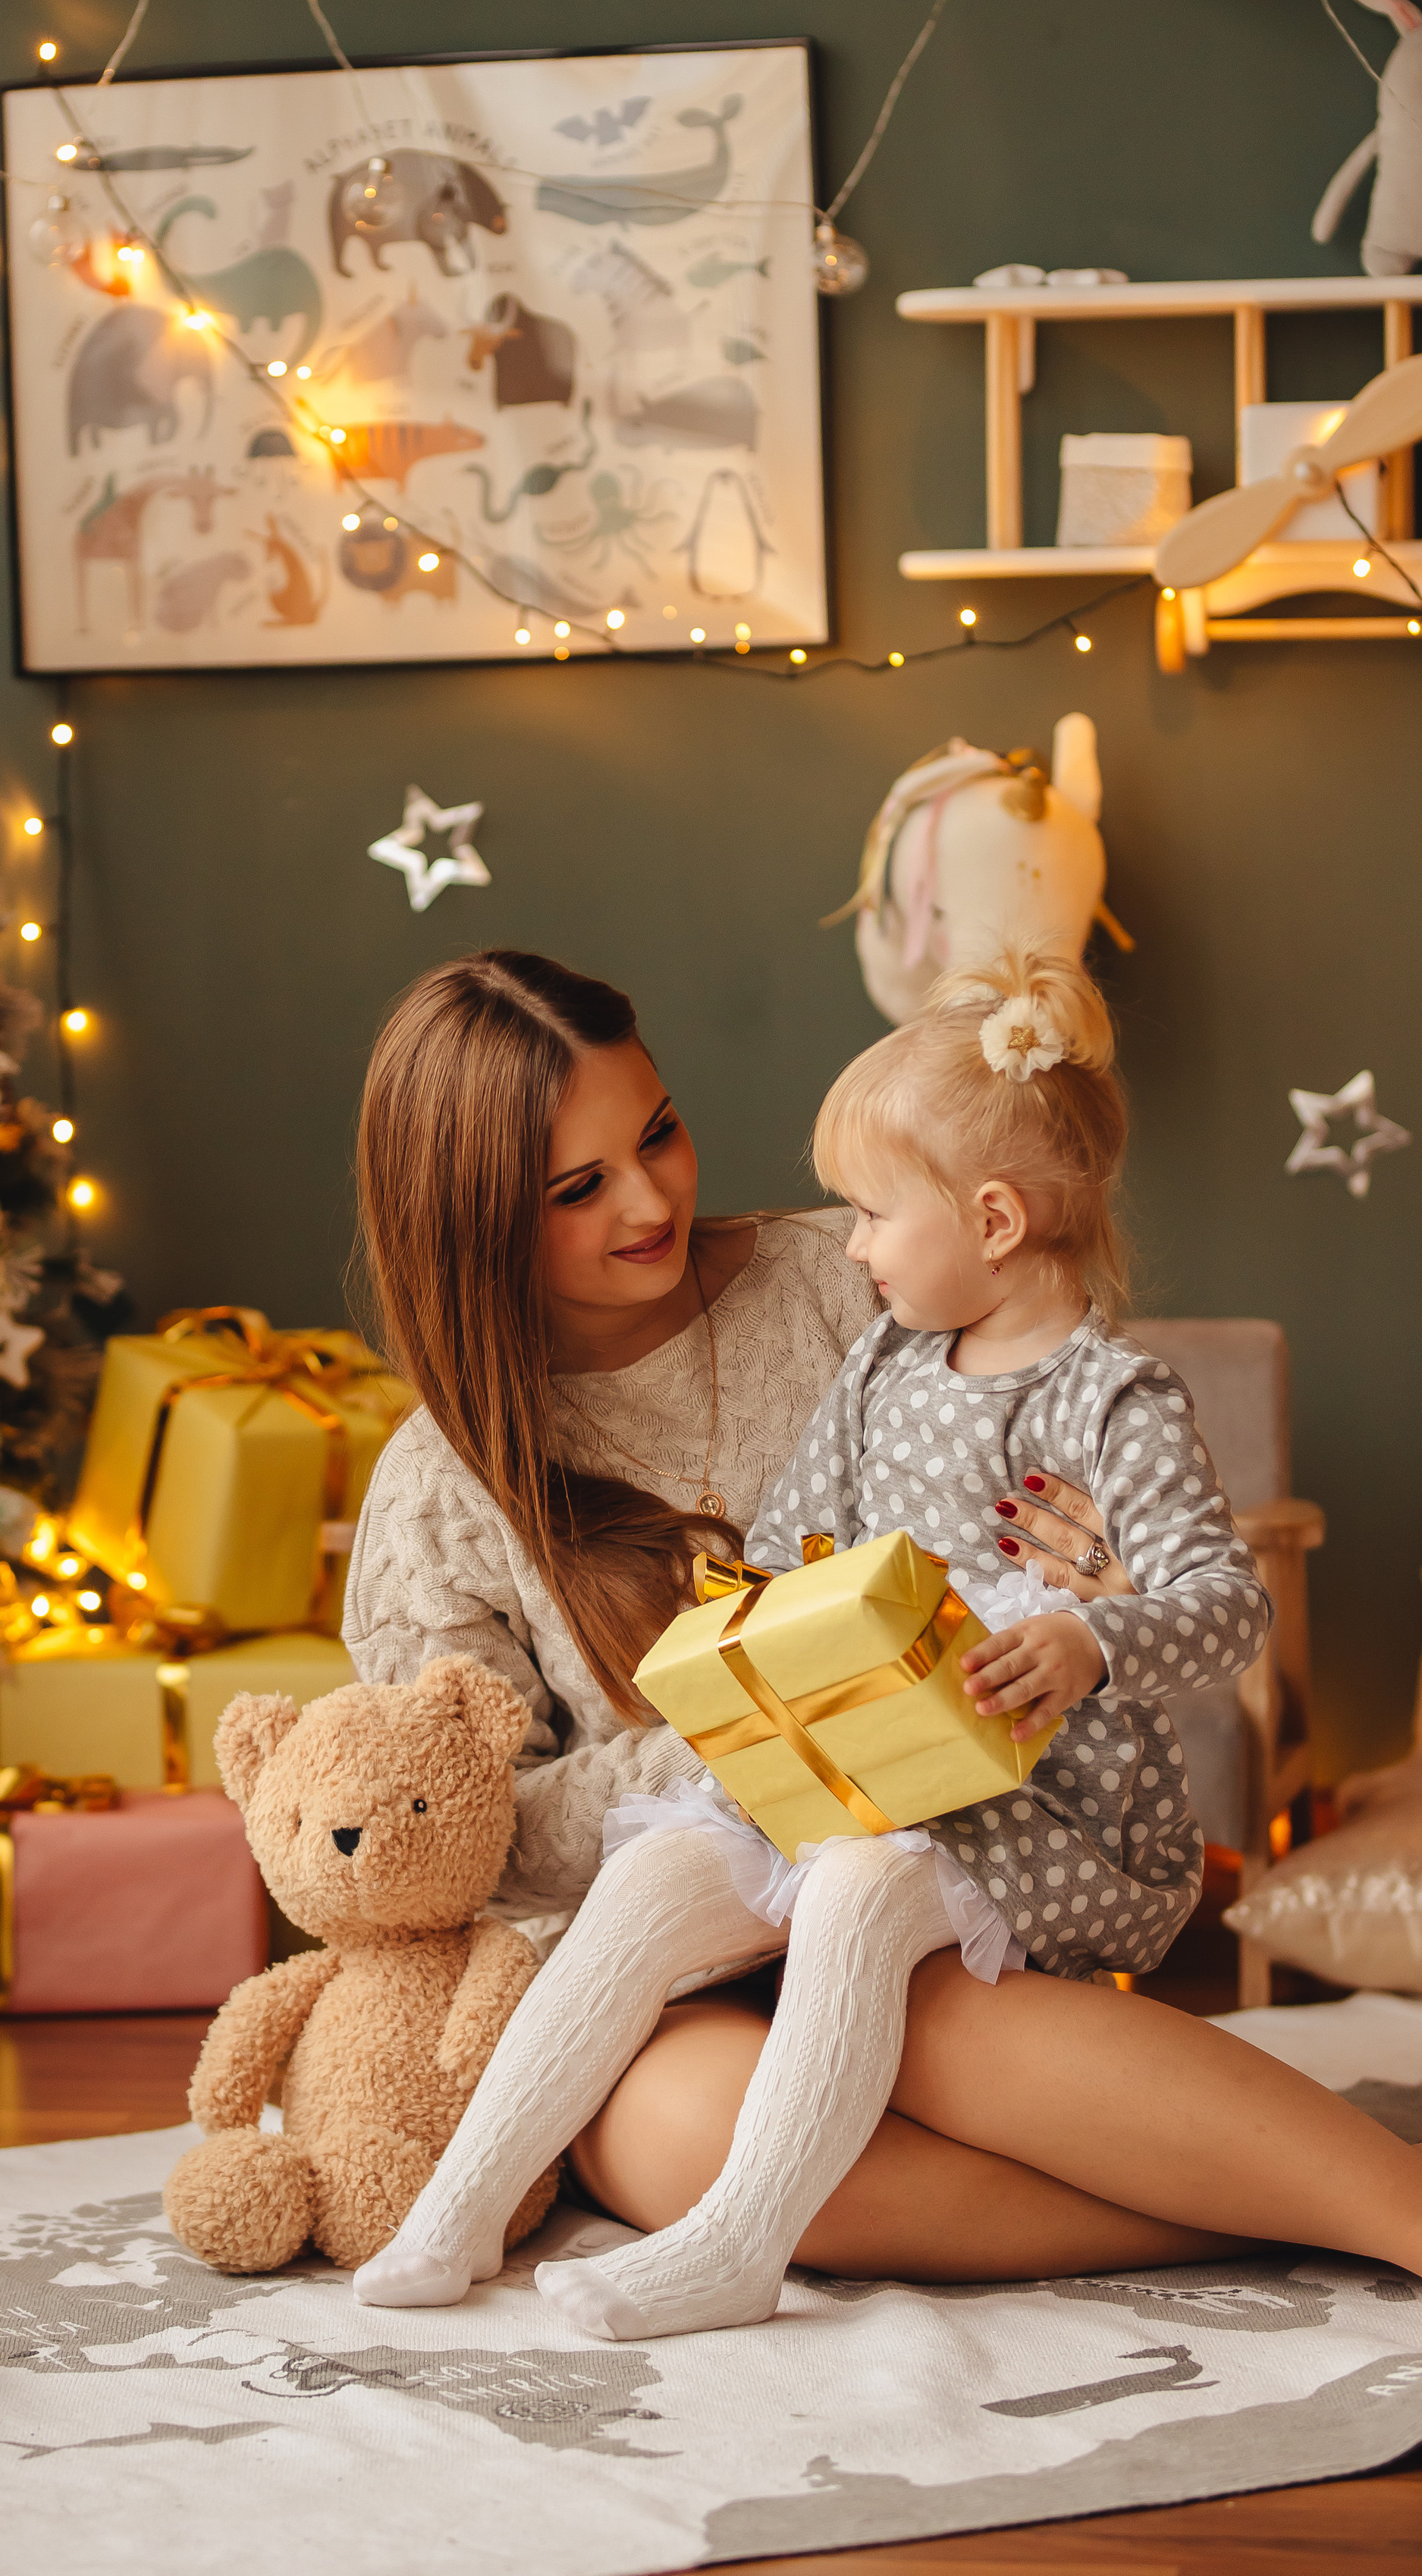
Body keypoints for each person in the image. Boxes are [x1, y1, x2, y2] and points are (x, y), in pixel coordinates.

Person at [341, 946, 1422, 2304]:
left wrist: (1093, 1584)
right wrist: (764, 1732)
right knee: (683, 2141)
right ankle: (1231, 2218)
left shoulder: (843, 1282)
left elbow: (1045, 1387)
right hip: (671, 1931)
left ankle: (1386, 2210)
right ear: (469, 1219)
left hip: (935, 1855)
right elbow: (465, 1832)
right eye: (579, 1186)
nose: (652, 1195)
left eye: (659, 1133)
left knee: (928, 2015)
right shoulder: (439, 1489)